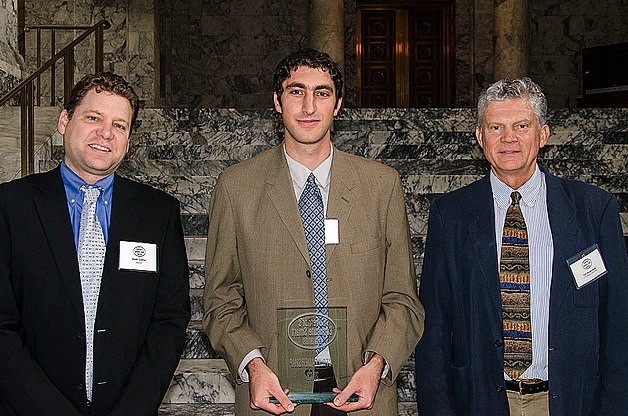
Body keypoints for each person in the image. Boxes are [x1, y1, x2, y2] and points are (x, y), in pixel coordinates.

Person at [203, 48, 424, 416]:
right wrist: (252, 365)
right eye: (296, 91)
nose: (309, 106)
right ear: (277, 101)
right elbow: (220, 299)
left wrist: (377, 365)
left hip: (361, 392)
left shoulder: (381, 185)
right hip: (274, 394)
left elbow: (402, 298)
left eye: (322, 93)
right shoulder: (236, 187)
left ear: (337, 105)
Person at [414, 77, 628, 415]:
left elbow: (618, 321)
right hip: (482, 400)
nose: (508, 138)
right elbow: (435, 328)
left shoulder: (592, 209)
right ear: (480, 137)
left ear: (543, 135)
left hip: (571, 400)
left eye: (521, 125)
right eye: (496, 127)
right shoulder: (451, 215)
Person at [0, 72, 191, 415]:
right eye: (93, 117)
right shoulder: (11, 206)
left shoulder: (158, 213)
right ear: (64, 120)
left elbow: (170, 321)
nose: (106, 132)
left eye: (120, 125)